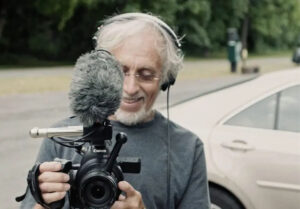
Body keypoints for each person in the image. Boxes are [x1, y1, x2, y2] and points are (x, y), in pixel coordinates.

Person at [20, 12, 210, 209]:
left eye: (146, 75)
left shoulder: (188, 148)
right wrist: (43, 204)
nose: (130, 88)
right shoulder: (60, 137)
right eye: (120, 71)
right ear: (102, 70)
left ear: (166, 80)